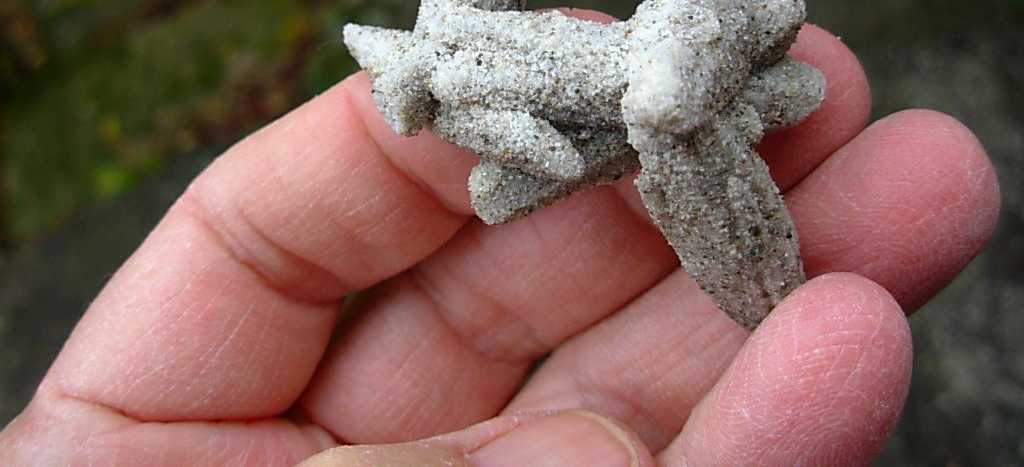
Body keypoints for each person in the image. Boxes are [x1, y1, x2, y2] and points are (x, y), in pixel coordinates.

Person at [0, 24, 1000, 467]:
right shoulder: (493, 109)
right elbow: (507, 171)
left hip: (672, 97)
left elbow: (518, 168)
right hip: (648, 113)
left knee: (723, 116)